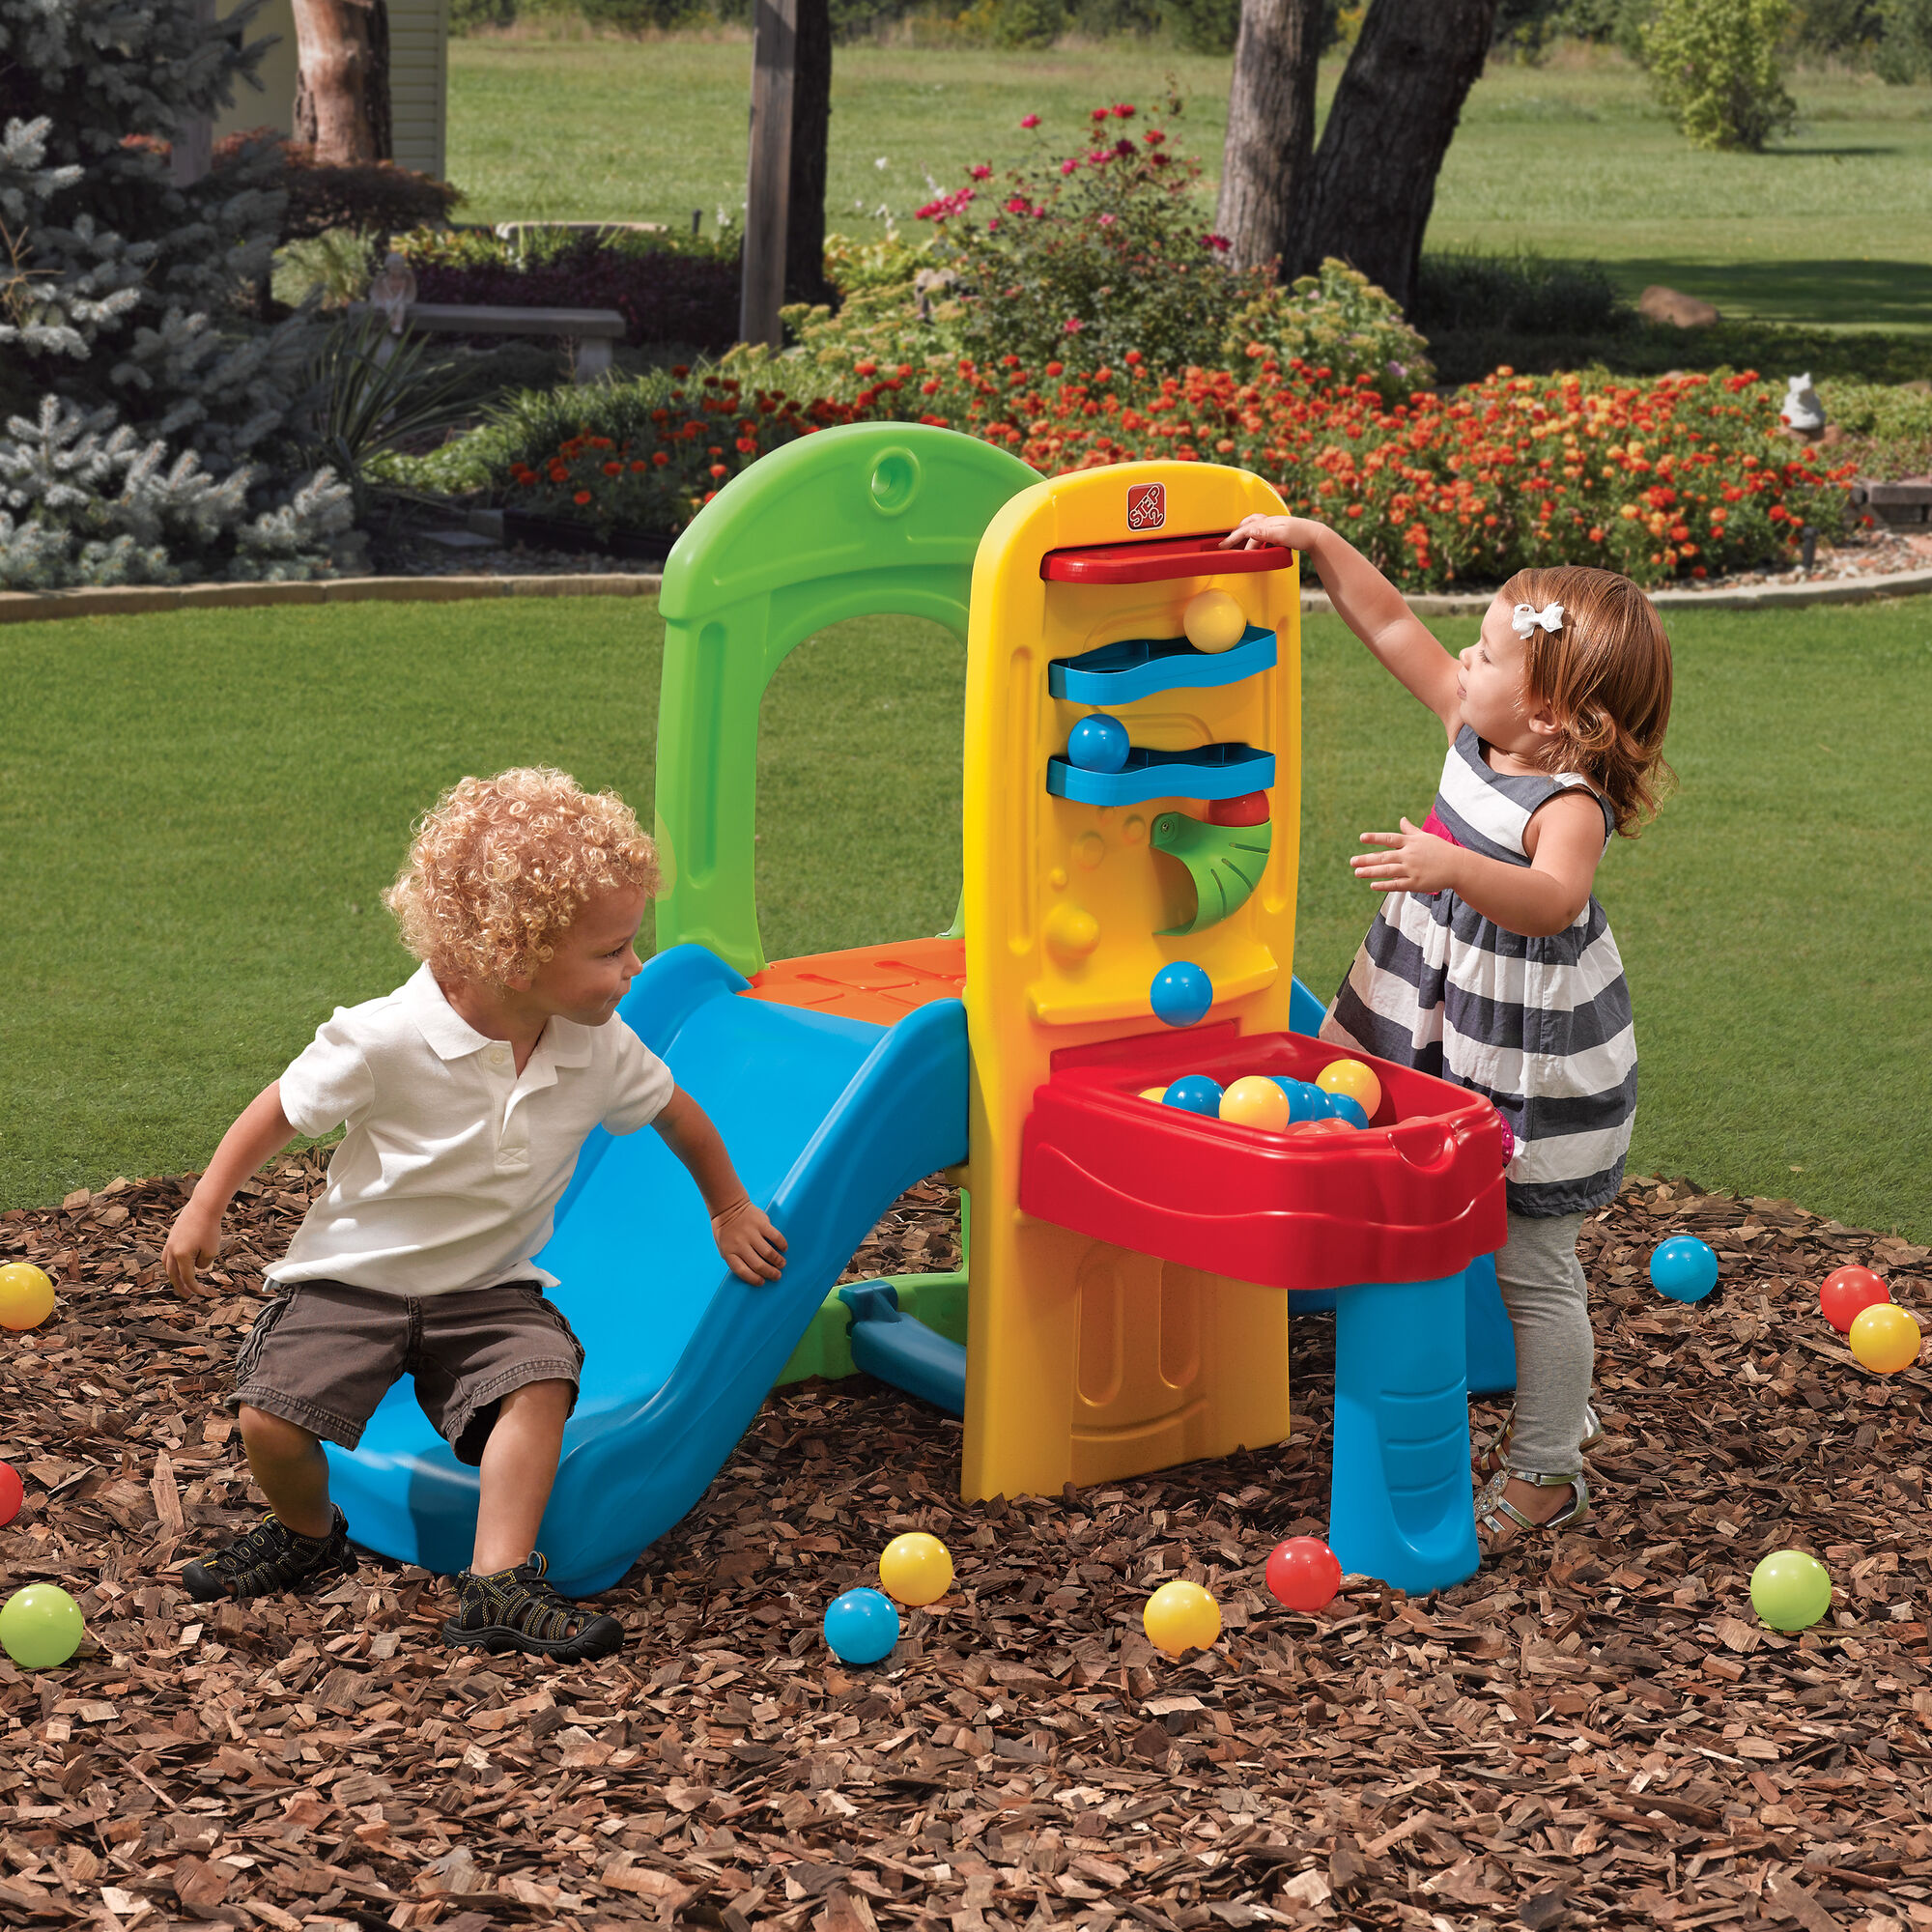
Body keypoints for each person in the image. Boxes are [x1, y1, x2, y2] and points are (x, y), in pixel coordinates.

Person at [161, 768, 786, 1658]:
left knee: (540, 1382)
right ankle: (306, 1533)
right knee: (270, 1418)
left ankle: (498, 1583)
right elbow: (281, 1110)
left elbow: (678, 1116)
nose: (635, 968)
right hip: (353, 1283)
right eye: (612, 951)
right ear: (515, 959)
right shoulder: (385, 1036)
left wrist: (728, 1207)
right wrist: (205, 1203)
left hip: (488, 1289)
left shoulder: (601, 1046)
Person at [1222, 521, 1674, 1549]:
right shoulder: (1474, 726)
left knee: (1530, 1260)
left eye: (1486, 651)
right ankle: (1552, 1406)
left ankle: (1546, 1468)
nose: (1461, 657)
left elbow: (1553, 900)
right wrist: (1314, 542)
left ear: (1549, 712)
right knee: (1389, 1163)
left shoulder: (1566, 805)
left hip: (1525, 1057)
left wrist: (1452, 867)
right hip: (1430, 1014)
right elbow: (1388, 624)